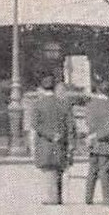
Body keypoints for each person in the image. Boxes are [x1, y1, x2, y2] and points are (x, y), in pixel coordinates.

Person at [29, 74, 74, 205]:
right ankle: (58, 196)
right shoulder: (64, 104)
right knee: (58, 168)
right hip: (61, 141)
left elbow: (35, 125)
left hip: (45, 142)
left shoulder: (38, 104)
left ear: (42, 89)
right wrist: (69, 141)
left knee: (49, 169)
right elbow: (70, 124)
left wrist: (50, 134)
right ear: (54, 88)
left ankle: (51, 198)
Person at [83, 81, 109, 206]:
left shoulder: (90, 105)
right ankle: (107, 198)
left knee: (92, 170)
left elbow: (87, 122)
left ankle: (88, 198)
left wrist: (91, 136)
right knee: (105, 171)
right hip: (105, 142)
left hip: (92, 143)